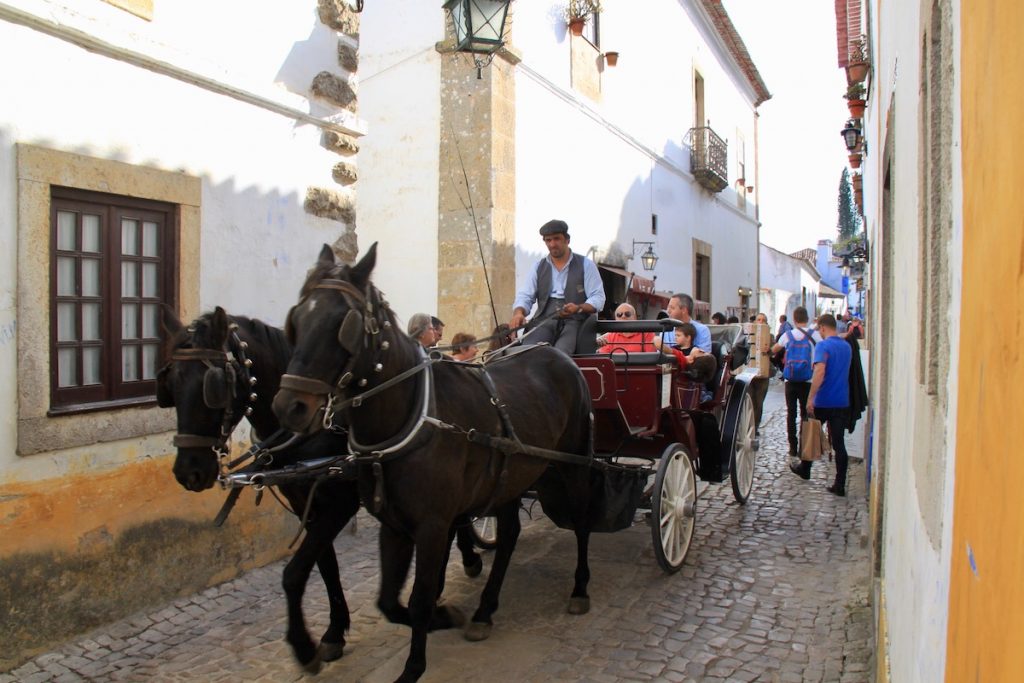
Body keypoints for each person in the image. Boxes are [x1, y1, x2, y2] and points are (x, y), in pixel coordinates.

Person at [510, 219, 605, 354]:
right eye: (548, 240)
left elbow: (598, 297)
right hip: (544, 320)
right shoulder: (538, 267)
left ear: (567, 240)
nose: (552, 244)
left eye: (556, 239)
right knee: (528, 352)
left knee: (560, 355)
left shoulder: (586, 265)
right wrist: (518, 313)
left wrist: (578, 308)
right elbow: (525, 295)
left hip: (574, 321)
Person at [790, 314, 853, 496]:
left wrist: (811, 398)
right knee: (839, 443)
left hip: (824, 399)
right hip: (842, 400)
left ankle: (805, 468)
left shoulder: (823, 346)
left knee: (810, 434)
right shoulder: (846, 346)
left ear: (823, 328)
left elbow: (819, 372)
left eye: (819, 329)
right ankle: (840, 484)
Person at [770, 306, 822, 457]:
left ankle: (792, 446)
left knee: (791, 414)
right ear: (807, 319)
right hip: (808, 380)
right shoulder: (816, 336)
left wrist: (767, 351)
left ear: (794, 319)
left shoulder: (788, 335)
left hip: (790, 379)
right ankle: (803, 447)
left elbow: (775, 349)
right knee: (805, 414)